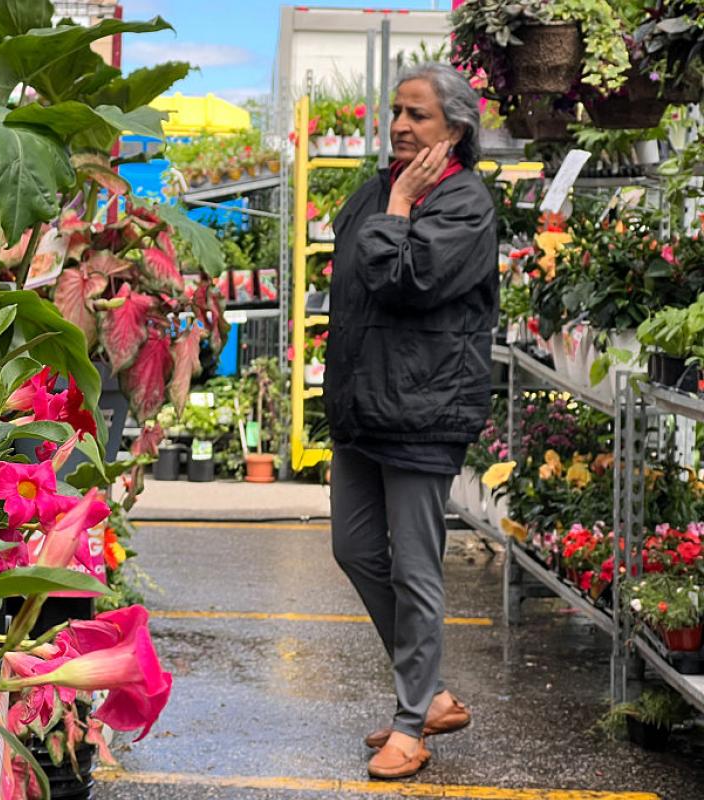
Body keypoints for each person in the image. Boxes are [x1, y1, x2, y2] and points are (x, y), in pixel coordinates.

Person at [322, 62, 498, 780]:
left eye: (417, 114)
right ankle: (431, 694)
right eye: (396, 110)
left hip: (423, 411)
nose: (399, 123)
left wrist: (398, 202)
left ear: (454, 129)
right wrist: (390, 198)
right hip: (365, 407)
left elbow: (404, 279)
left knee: (418, 571)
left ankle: (411, 724)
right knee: (355, 549)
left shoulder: (464, 205)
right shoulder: (378, 188)